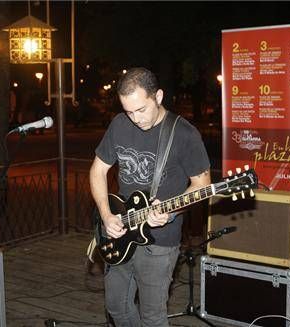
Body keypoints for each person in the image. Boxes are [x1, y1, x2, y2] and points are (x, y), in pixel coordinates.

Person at [89, 67, 211, 326]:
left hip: (160, 242)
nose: (135, 119)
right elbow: (98, 170)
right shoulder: (119, 124)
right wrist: (106, 214)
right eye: (128, 111)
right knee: (116, 307)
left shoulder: (184, 134)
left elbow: (202, 185)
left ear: (158, 97)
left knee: (152, 317)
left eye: (141, 110)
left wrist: (171, 212)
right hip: (120, 230)